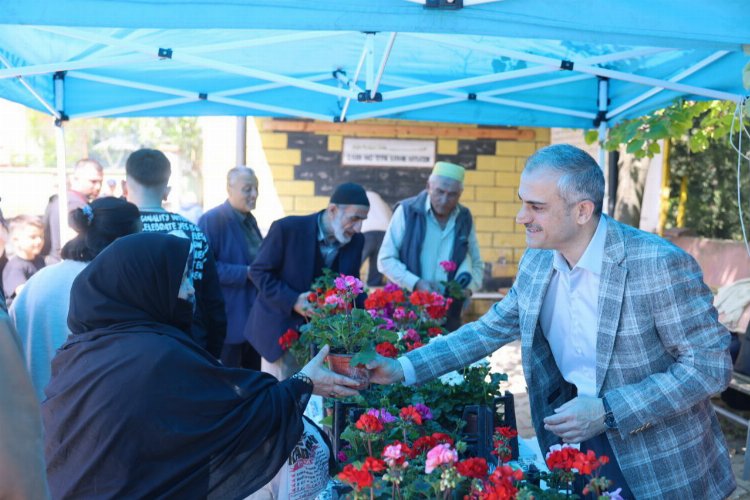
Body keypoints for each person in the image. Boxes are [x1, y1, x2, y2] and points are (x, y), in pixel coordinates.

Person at [368, 144, 735, 498]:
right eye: (521, 203)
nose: (521, 217)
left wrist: (608, 411)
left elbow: (710, 366)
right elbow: (487, 330)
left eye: (536, 207)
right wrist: (401, 368)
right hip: (573, 437)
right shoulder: (538, 260)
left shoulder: (657, 263)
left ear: (581, 211)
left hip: (659, 455)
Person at [42, 233, 359, 498]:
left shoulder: (77, 351)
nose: (191, 290)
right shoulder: (156, 354)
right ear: (146, 288)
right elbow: (235, 413)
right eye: (180, 282)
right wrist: (303, 383)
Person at [10, 197, 141, 399]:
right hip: (83, 420)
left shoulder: (37, 281)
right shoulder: (108, 289)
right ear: (122, 241)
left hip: (34, 418)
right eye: (139, 238)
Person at [247, 182, 369, 380]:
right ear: (333, 210)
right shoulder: (287, 228)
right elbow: (258, 272)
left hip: (324, 340)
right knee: (278, 400)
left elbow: (352, 287)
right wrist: (293, 300)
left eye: (363, 220)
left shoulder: (357, 240)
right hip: (280, 333)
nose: (358, 228)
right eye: (354, 218)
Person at [124, 148, 227, 358]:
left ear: (126, 186)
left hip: (130, 350)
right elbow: (213, 302)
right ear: (167, 191)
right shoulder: (194, 233)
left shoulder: (117, 231)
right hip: (190, 348)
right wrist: (214, 354)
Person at [377, 161, 483, 330]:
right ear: (428, 186)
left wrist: (469, 289)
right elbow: (385, 259)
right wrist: (416, 283)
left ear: (460, 193)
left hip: (449, 313)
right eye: (440, 191)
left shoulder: (464, 217)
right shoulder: (407, 211)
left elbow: (477, 263)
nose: (444, 199)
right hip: (409, 311)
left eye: (452, 194)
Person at [199, 166, 263, 369]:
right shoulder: (212, 220)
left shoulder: (249, 220)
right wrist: (246, 273)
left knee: (252, 384)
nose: (254, 194)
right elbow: (205, 268)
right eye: (247, 189)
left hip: (253, 323)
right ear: (229, 189)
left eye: (256, 188)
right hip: (229, 322)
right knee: (232, 388)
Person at [42, 158, 103, 264]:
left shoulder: (58, 200)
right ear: (76, 178)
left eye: (100, 182)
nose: (98, 187)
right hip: (68, 263)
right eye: (93, 181)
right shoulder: (77, 206)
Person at [3, 215, 45, 305]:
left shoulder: (40, 260)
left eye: (41, 236)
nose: (39, 241)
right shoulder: (15, 267)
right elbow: (25, 294)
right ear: (16, 240)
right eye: (33, 237)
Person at [360, 190, 393, 287]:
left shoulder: (360, 199)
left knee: (356, 260)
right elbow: (391, 216)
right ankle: (374, 283)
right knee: (377, 262)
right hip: (385, 232)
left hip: (367, 232)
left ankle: (346, 283)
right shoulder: (382, 203)